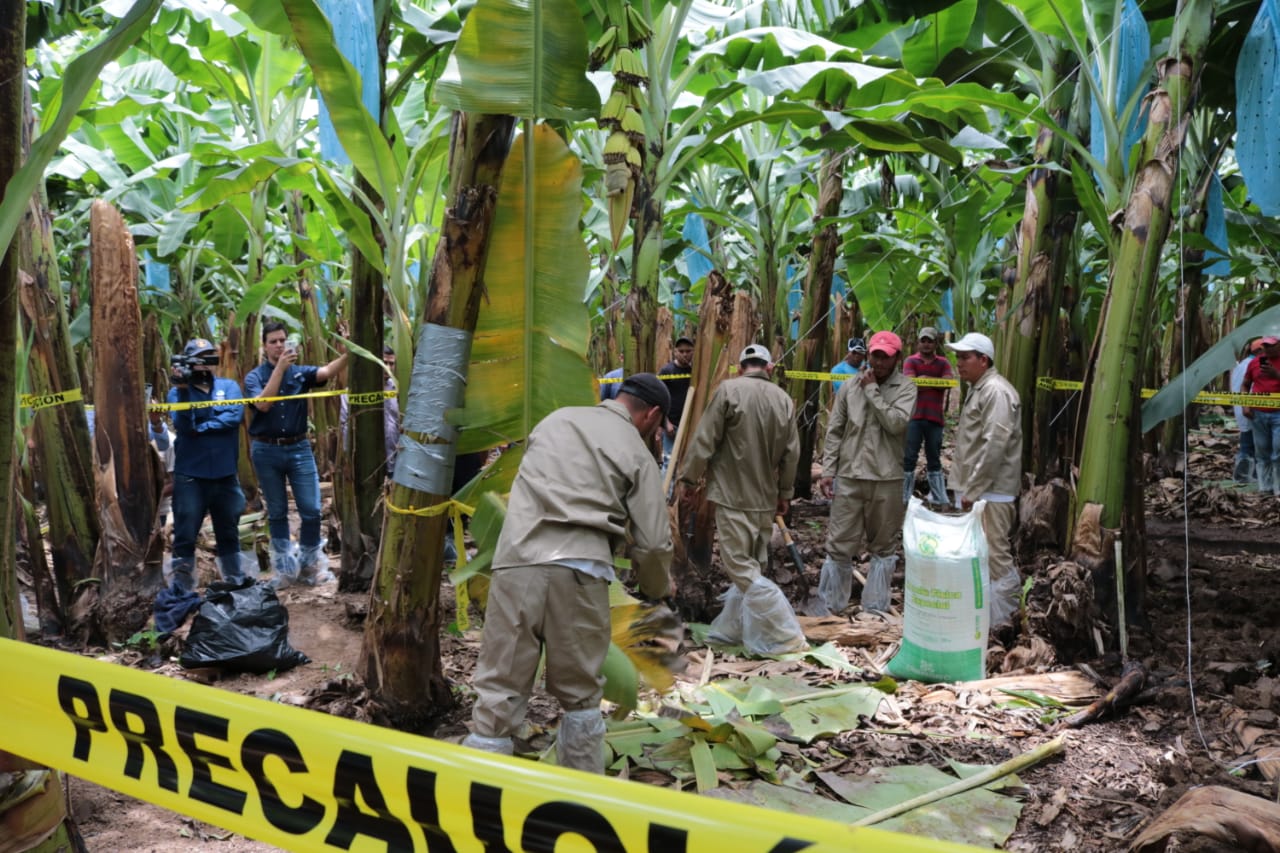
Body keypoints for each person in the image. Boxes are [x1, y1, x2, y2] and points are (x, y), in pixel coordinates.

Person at [462, 374, 673, 772]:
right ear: (653, 415)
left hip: (516, 562)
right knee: (581, 695)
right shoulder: (636, 449)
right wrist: (657, 589)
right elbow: (654, 542)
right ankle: (580, 794)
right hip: (580, 569)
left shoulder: (555, 420)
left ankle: (480, 789)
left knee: (499, 684)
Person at [678, 344, 806, 655]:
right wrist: (785, 493)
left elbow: (705, 439)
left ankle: (785, 634)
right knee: (752, 568)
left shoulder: (728, 391)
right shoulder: (783, 399)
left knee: (741, 569)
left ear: (740, 367)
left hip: (733, 497)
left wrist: (689, 479)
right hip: (764, 499)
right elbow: (792, 454)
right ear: (769, 368)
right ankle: (731, 630)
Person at [816, 331, 917, 615]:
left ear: (897, 357)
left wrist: (872, 391)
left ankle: (874, 608)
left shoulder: (906, 388)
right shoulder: (849, 387)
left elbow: (896, 423)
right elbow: (835, 430)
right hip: (850, 476)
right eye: (876, 355)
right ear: (869, 354)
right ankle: (830, 606)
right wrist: (828, 470)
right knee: (839, 544)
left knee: (883, 546)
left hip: (886, 479)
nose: (879, 362)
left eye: (886, 356)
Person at [244, 321, 347, 587]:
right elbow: (263, 404)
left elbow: (325, 372)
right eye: (273, 342)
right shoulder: (254, 377)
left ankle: (311, 566)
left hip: (299, 447)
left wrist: (351, 352)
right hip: (266, 449)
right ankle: (285, 570)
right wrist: (280, 368)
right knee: (277, 511)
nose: (279, 345)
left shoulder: (300, 373)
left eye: (282, 341)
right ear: (264, 346)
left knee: (311, 509)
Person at [947, 332, 1023, 628]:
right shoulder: (981, 388)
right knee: (981, 554)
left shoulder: (996, 391)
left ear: (983, 359)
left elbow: (995, 444)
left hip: (991, 492)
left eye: (965, 357)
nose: (959, 362)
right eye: (958, 356)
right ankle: (983, 621)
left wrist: (974, 489)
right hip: (981, 490)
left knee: (994, 556)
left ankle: (1002, 624)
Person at [164, 338, 247, 594]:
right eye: (199, 358)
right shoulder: (177, 392)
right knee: (186, 534)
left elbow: (233, 417)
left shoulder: (229, 386)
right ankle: (182, 590)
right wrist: (185, 391)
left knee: (228, 531)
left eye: (209, 356)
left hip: (224, 474)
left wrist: (203, 426)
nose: (205, 363)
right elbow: (184, 426)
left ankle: (235, 583)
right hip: (192, 476)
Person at [902, 327, 954, 505]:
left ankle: (939, 497)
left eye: (929, 341)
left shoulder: (943, 363)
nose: (926, 344)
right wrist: (934, 383)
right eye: (923, 340)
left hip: (934, 417)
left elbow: (948, 383)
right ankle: (904, 496)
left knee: (934, 457)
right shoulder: (910, 361)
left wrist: (923, 380)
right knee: (909, 457)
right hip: (914, 416)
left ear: (935, 343)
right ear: (918, 342)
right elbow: (909, 383)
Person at [339, 344, 400, 466]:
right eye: (384, 362)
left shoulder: (398, 389)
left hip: (395, 460)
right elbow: (346, 426)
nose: (387, 367)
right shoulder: (353, 391)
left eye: (391, 363)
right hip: (365, 463)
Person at [1245, 336, 1280, 495]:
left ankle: (1278, 488)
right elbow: (1245, 385)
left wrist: (1276, 374)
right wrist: (1245, 404)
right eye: (1265, 345)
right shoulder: (1254, 362)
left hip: (1278, 413)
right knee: (1262, 451)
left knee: (1278, 451)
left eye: (1271, 345)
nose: (1267, 348)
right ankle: (1265, 488)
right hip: (1258, 414)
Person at [1231, 339, 1262, 484]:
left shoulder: (1241, 365)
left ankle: (1244, 474)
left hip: (1242, 409)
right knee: (1256, 445)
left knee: (1247, 442)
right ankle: (1251, 475)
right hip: (1250, 410)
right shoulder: (1254, 365)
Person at [658, 336, 695, 457]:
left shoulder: (695, 371)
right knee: (669, 460)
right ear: (675, 352)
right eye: (681, 351)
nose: (685, 354)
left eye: (688, 351)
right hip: (672, 426)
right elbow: (658, 398)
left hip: (691, 425)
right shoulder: (667, 371)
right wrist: (665, 423)